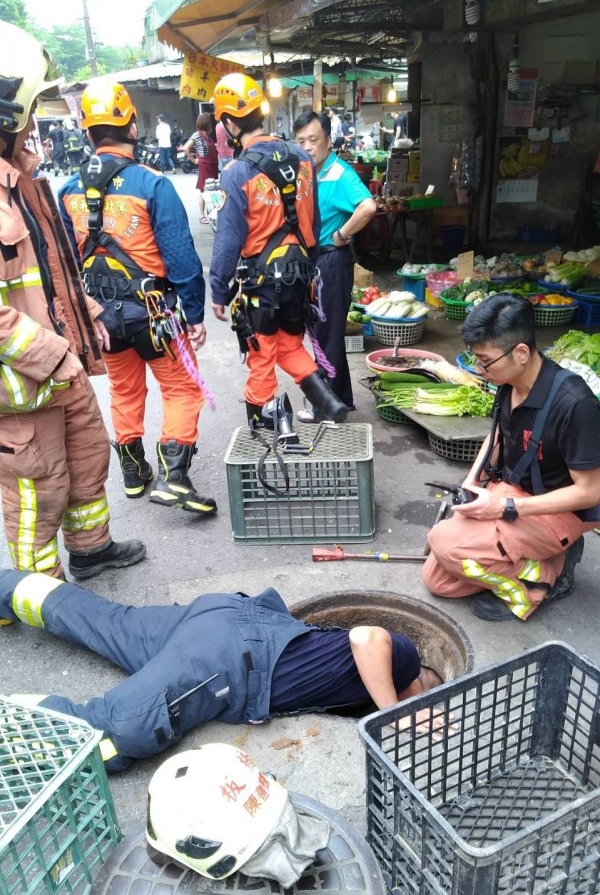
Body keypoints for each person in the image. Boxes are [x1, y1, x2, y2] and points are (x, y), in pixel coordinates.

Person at [1, 567, 442, 773]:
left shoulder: (357, 687)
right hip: (230, 658)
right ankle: (12, 727)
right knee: (119, 731)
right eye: (428, 704)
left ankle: (8, 587)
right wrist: (398, 712)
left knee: (108, 622)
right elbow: (368, 637)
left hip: (225, 617)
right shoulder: (402, 662)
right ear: (423, 683)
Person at [0, 22, 145, 581]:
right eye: (30, 109)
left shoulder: (24, 179)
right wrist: (51, 354)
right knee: (38, 490)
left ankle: (90, 551)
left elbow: (51, 263)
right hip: (23, 384)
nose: (36, 123)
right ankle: (40, 591)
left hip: (60, 365)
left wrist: (86, 313)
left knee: (87, 460)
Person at [59, 80, 216, 517]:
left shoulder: (68, 189)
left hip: (101, 317)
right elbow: (181, 255)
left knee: (125, 392)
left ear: (87, 133)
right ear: (131, 125)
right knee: (183, 388)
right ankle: (176, 477)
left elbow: (65, 261)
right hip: (154, 313)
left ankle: (133, 474)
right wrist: (196, 313)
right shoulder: (152, 184)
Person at [422, 294, 600, 622]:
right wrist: (470, 485)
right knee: (437, 579)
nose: (478, 369)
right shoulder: (509, 382)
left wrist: (505, 508)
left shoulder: (575, 404)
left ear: (520, 352)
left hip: (558, 508)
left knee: (446, 543)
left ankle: (541, 580)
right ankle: (532, 562)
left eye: (484, 361)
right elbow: (498, 436)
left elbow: (591, 492)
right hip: (513, 491)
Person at [209, 73, 348, 426]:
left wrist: (218, 290)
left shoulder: (237, 171)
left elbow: (228, 238)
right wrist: (311, 271)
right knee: (289, 346)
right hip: (299, 274)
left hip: (262, 282)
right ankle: (329, 403)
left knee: (262, 354)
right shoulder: (302, 157)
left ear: (228, 123)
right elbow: (313, 222)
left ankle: (262, 424)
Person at [293, 110, 376, 419]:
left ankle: (324, 407)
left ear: (328, 140)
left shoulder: (339, 172)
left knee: (324, 334)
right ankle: (339, 398)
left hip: (330, 261)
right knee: (326, 332)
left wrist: (343, 233)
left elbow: (368, 206)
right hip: (315, 262)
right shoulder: (307, 172)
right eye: (301, 141)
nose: (308, 146)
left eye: (314, 140)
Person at [183, 113, 218, 224]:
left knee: (214, 189)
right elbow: (186, 148)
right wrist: (194, 160)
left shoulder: (208, 136)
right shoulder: (197, 135)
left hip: (213, 165)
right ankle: (201, 215)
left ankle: (214, 212)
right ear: (207, 123)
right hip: (204, 165)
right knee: (204, 189)